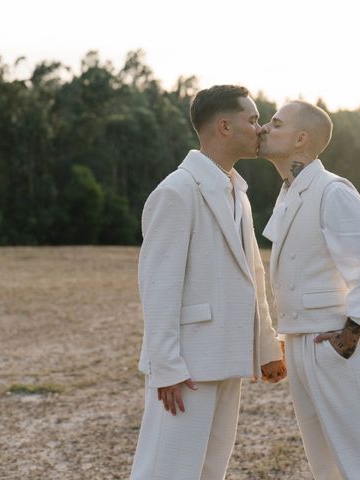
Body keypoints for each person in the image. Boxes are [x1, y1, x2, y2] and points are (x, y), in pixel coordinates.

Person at [130, 85, 286, 480]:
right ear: (223, 126)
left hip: (228, 357)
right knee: (165, 471)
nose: (260, 128)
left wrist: (266, 347)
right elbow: (158, 285)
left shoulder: (239, 192)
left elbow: (253, 275)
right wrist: (166, 368)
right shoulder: (176, 191)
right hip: (187, 365)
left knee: (208, 471)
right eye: (252, 120)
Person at [259, 100, 360, 479]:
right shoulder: (289, 191)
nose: (264, 129)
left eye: (275, 123)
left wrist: (348, 338)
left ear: (301, 138)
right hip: (302, 341)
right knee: (326, 463)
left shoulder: (333, 191)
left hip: (333, 343)